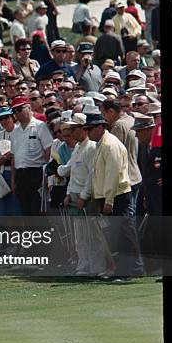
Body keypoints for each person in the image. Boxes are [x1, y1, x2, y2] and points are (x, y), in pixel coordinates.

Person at [84, 109, 142, 281]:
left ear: (100, 127)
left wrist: (108, 201)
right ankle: (124, 270)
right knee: (117, 235)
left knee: (123, 235)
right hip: (109, 195)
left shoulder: (110, 145)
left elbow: (113, 175)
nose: (87, 132)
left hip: (116, 195)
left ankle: (127, 271)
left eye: (89, 129)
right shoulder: (102, 144)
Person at [57, 112, 107, 276]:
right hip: (75, 196)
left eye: (74, 129)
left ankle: (97, 267)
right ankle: (83, 265)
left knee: (93, 235)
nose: (70, 133)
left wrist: (84, 196)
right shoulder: (78, 147)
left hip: (88, 197)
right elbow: (73, 172)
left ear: (82, 129)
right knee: (80, 236)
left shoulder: (92, 147)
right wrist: (69, 193)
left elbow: (91, 176)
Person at [11, 97, 53, 215]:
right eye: (15, 111)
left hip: (36, 173)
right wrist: (13, 180)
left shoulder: (40, 126)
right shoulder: (15, 131)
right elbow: (14, 157)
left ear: (29, 108)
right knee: (25, 209)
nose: (17, 113)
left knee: (37, 208)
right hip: (21, 174)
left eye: (20, 109)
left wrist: (46, 176)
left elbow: (48, 150)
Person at [0, 106, 21, 216]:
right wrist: (0, 160)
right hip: (2, 174)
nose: (3, 121)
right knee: (2, 210)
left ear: (12, 117)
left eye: (6, 117)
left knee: (17, 208)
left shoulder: (21, 132)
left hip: (18, 174)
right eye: (0, 119)